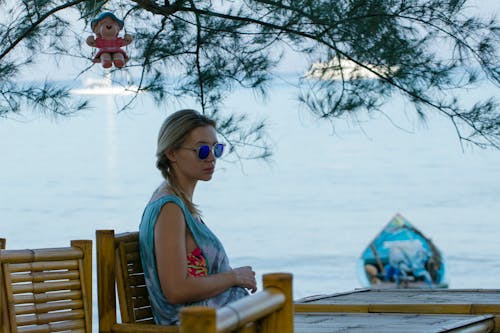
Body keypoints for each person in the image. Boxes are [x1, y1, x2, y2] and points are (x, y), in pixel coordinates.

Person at [139, 109, 257, 325]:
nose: (211, 157)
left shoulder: (178, 203)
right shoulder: (170, 209)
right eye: (202, 150)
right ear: (172, 153)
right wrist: (234, 277)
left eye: (216, 148)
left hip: (219, 320)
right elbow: (175, 289)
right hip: (196, 325)